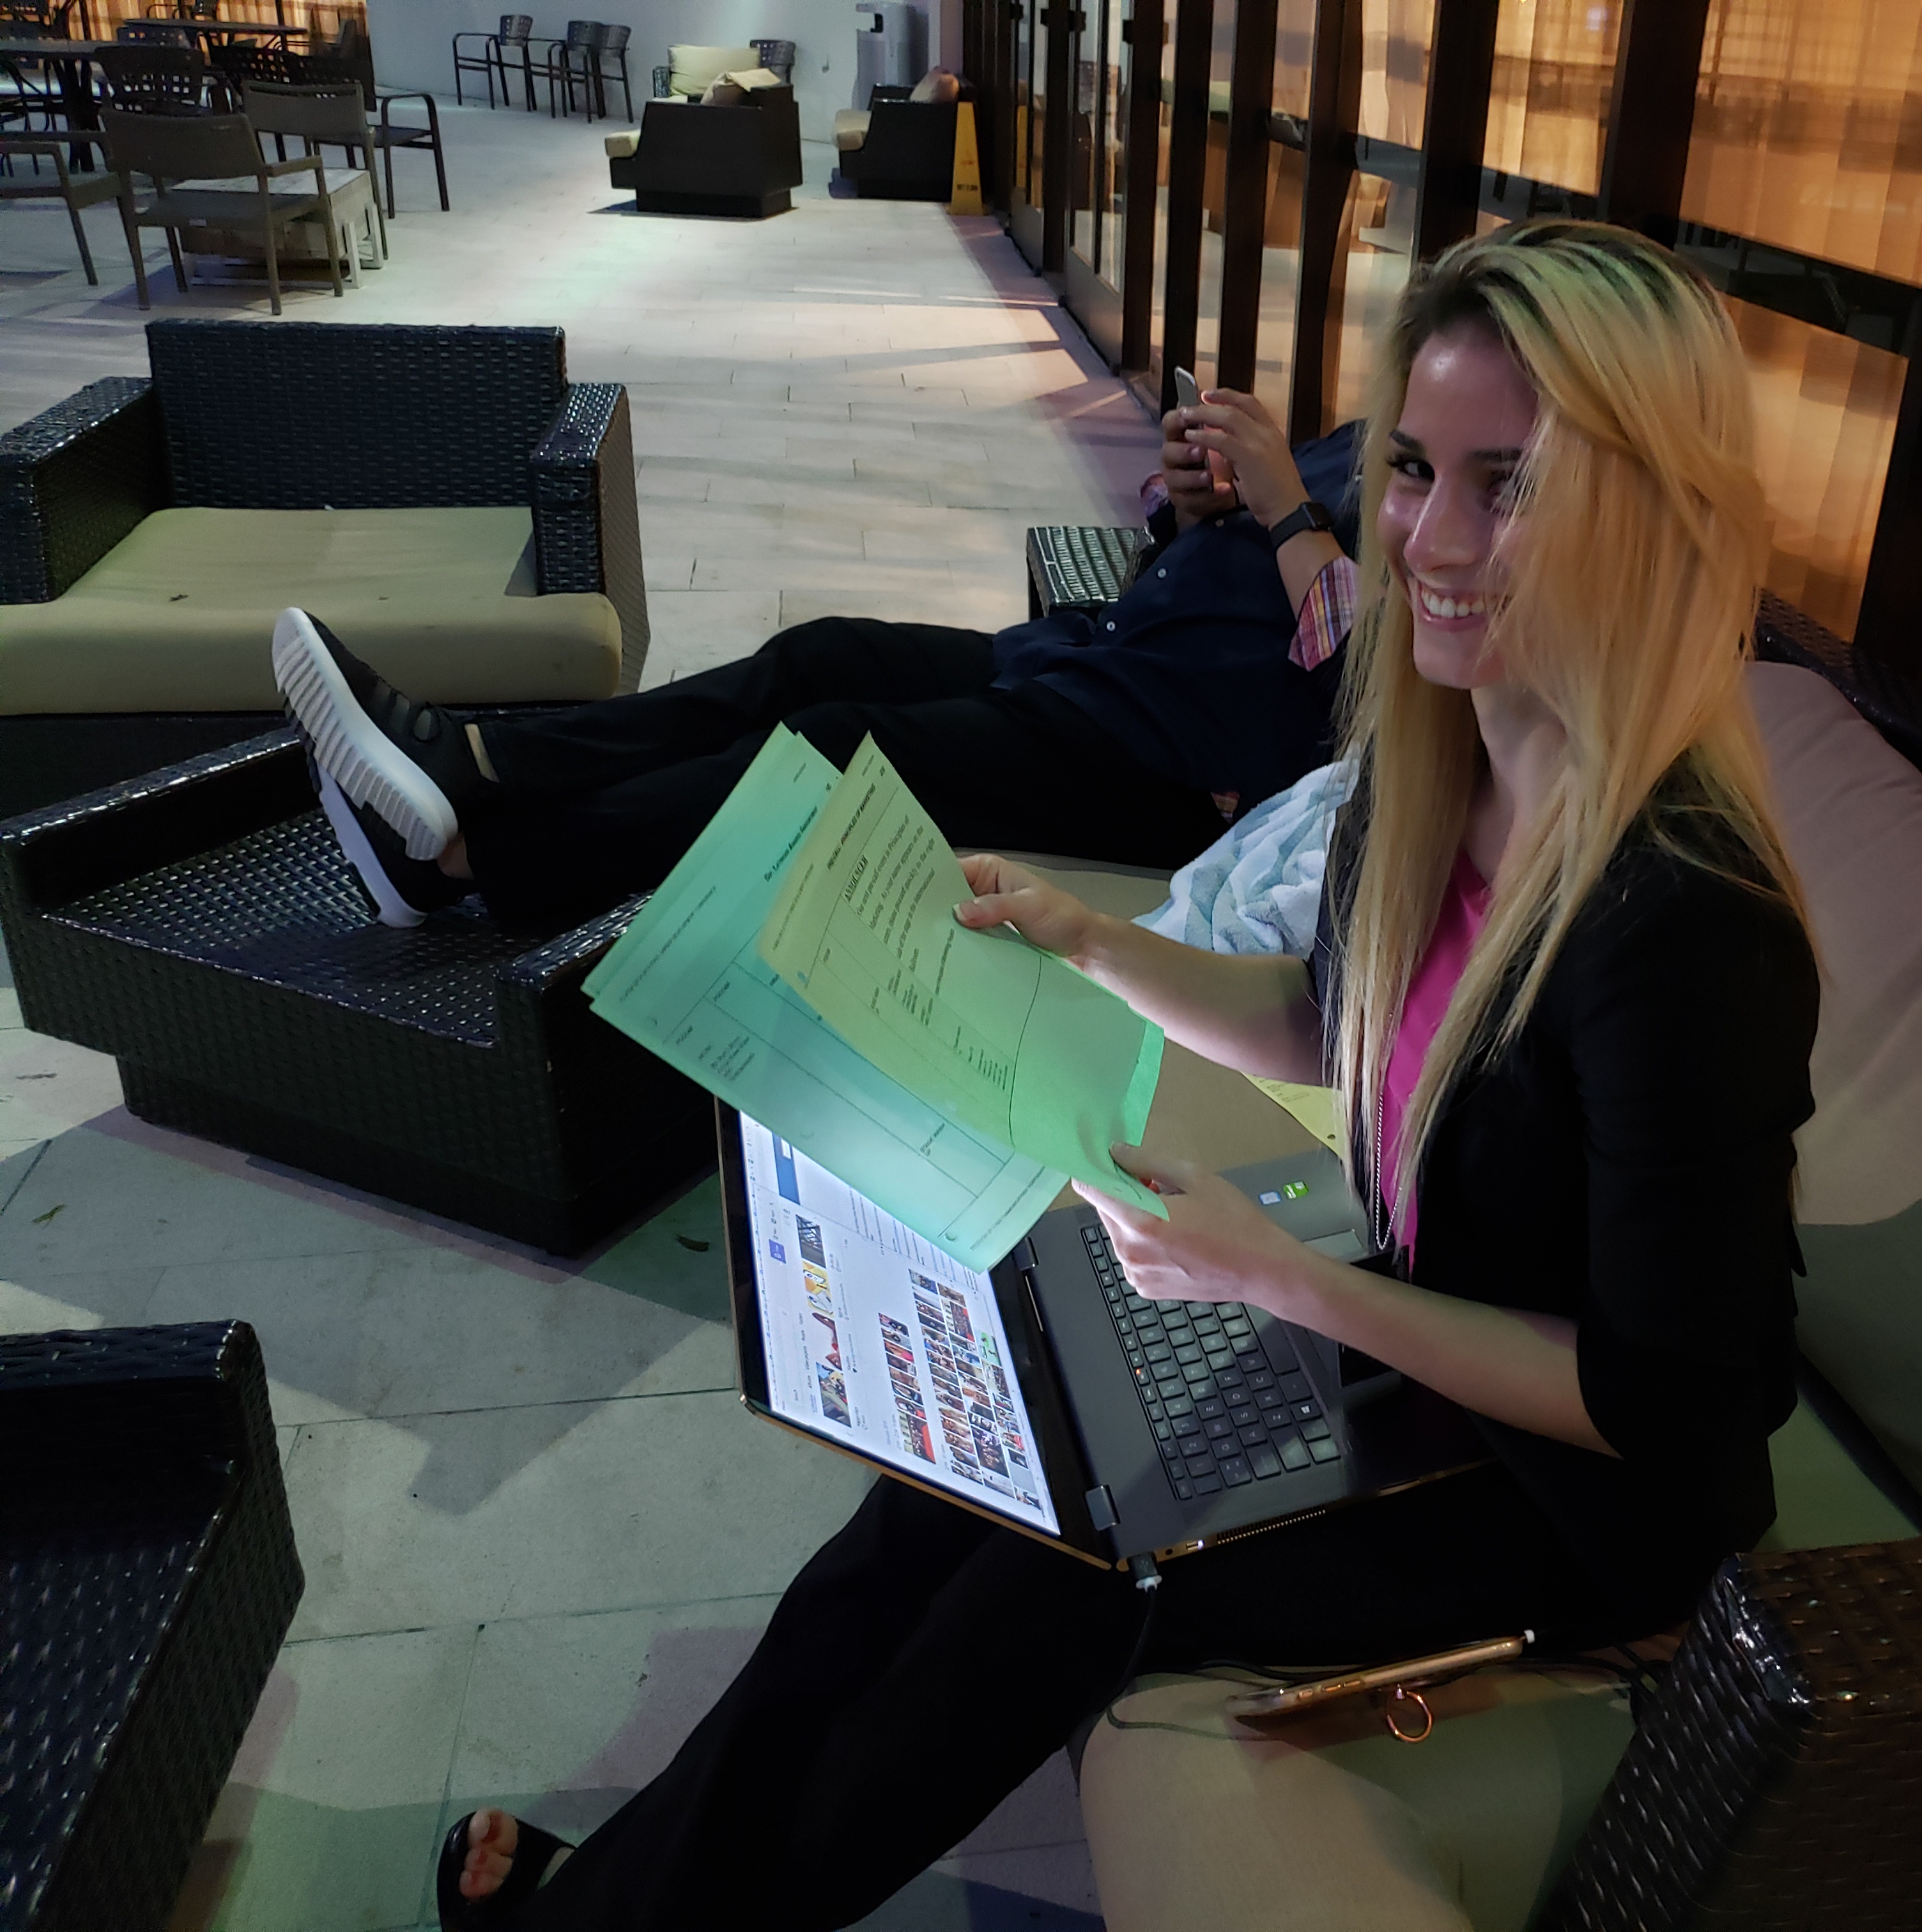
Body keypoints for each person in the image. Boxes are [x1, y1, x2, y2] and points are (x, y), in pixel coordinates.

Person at [429, 219, 1820, 1932]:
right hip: (1405, 1347)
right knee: (944, 1502)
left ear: (1652, 509)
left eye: (1509, 486)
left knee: (1059, 1583)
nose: (1433, 540)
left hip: (1569, 1504)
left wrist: (1284, 1279)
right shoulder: (1442, 764)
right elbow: (1334, 1025)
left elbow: (1668, 1403)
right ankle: (633, 1898)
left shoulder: (1686, 919)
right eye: (1410, 469)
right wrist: (1091, 946)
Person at [274, 408, 1364, 930]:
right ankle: (479, 760)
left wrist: (1286, 509)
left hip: (1172, 765)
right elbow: (1228, 582)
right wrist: (1196, 509)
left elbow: (1361, 681)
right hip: (1097, 660)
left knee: (837, 751)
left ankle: (468, 859)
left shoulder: (1447, 536)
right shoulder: (1369, 443)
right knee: (821, 653)